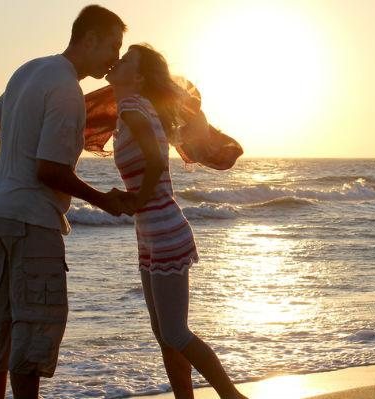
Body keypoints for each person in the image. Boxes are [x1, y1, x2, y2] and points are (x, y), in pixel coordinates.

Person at [0, 5, 131, 398]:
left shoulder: (30, 68)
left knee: (1, 325)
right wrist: (105, 200)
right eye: (112, 46)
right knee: (34, 330)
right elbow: (49, 171)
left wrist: (21, 127)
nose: (115, 56)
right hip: (32, 220)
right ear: (90, 39)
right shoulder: (67, 90)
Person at [105, 44, 248, 399]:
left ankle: (233, 396)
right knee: (164, 333)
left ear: (137, 77)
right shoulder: (133, 108)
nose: (116, 61)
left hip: (164, 228)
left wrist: (134, 200)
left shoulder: (133, 108)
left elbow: (155, 162)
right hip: (151, 230)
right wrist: (132, 199)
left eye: (125, 61)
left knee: (175, 333)